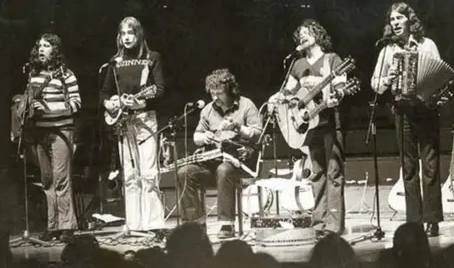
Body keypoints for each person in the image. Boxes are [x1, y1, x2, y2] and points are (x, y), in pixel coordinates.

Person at [371, 2, 443, 237]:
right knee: (409, 168)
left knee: (430, 166)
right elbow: (375, 85)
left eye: (399, 18)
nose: (395, 23)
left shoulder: (427, 45)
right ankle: (414, 221)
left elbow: (440, 75)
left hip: (426, 110)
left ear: (409, 20)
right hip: (402, 110)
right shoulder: (387, 51)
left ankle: (432, 220)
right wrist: (387, 79)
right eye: (392, 20)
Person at [271, 19, 348, 236]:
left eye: (307, 32)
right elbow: (289, 92)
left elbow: (341, 87)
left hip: (332, 121)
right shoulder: (297, 64)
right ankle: (319, 223)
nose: (302, 36)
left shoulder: (332, 60)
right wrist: (280, 97)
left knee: (334, 172)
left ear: (317, 35)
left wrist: (336, 95)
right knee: (317, 173)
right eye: (299, 35)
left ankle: (333, 225)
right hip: (310, 126)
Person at [176, 68, 262, 239]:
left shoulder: (246, 105)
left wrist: (237, 127)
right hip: (212, 161)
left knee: (224, 170)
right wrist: (204, 137)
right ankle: (195, 226)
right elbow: (196, 136)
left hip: (239, 162)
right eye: (212, 93)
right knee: (184, 172)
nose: (215, 98)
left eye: (219, 93)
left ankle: (226, 224)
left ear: (230, 90)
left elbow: (258, 133)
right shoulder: (208, 109)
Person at [100, 16, 166, 234]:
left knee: (148, 172)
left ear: (139, 35)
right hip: (123, 121)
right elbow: (105, 92)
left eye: (131, 33)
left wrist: (142, 101)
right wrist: (110, 102)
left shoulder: (151, 58)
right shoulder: (115, 61)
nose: (127, 37)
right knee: (129, 174)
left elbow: (159, 88)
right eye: (123, 33)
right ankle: (134, 223)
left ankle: (154, 224)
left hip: (145, 119)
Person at [19, 33, 81, 242]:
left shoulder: (66, 74)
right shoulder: (33, 75)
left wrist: (48, 110)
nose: (42, 49)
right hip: (39, 134)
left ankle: (67, 227)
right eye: (40, 46)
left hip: (61, 132)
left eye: (47, 46)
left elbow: (75, 103)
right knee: (47, 181)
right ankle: (52, 226)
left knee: (61, 179)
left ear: (55, 50)